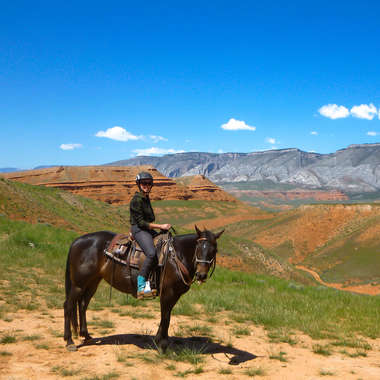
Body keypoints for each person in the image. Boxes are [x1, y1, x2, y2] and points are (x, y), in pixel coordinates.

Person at [130, 171, 171, 299]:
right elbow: (141, 223)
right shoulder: (136, 200)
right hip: (140, 230)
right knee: (151, 253)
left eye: (148, 183)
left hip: (146, 229)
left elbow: (150, 218)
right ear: (139, 184)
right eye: (144, 183)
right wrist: (161, 226)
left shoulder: (145, 198)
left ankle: (155, 283)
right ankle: (141, 285)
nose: (146, 185)